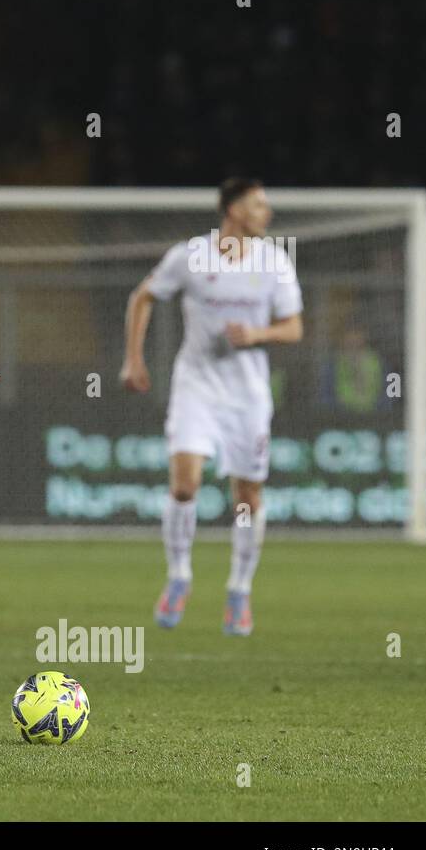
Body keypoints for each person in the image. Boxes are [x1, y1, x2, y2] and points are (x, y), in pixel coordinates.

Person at [120, 178, 304, 636]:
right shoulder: (191, 256)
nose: (267, 212)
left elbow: (294, 328)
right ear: (234, 208)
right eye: (259, 203)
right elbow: (142, 296)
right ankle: (179, 576)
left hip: (248, 396)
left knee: (248, 498)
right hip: (196, 387)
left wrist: (258, 335)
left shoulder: (274, 261)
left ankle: (239, 590)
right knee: (185, 485)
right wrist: (133, 358)